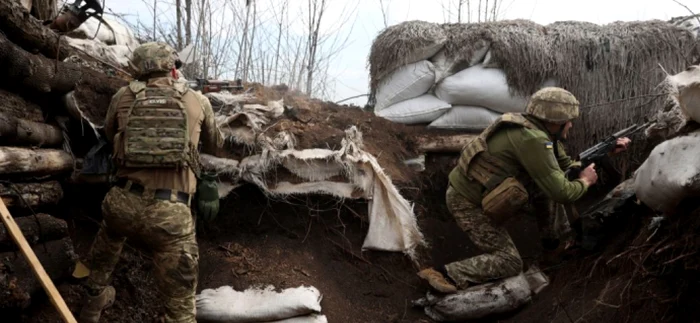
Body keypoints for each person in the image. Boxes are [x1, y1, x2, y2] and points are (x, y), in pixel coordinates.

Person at [417, 87, 632, 293]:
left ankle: (553, 246)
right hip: (466, 202)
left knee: (548, 183)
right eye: (569, 122)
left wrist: (604, 153)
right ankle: (445, 274)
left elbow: (564, 168)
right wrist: (585, 182)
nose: (571, 126)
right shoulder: (533, 139)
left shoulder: (536, 130)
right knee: (510, 262)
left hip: (485, 192)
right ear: (555, 122)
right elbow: (563, 192)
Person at [79, 42, 224, 322]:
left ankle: (92, 304)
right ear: (172, 67)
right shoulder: (196, 100)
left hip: (123, 203)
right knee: (180, 307)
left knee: (108, 239)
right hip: (170, 215)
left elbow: (110, 136)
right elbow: (217, 145)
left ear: (136, 69)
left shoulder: (122, 97)